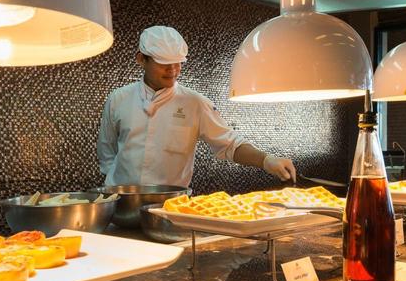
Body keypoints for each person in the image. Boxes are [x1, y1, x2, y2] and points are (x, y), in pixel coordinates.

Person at [97, 26, 296, 187]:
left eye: (178, 63)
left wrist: (266, 160)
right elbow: (107, 151)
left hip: (170, 205)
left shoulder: (195, 103)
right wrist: (115, 186)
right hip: (121, 201)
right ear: (141, 59)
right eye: (164, 64)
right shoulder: (118, 99)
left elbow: (229, 144)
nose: (173, 70)